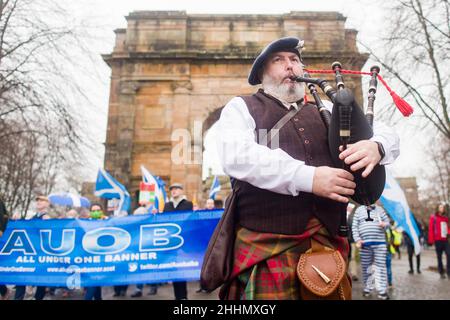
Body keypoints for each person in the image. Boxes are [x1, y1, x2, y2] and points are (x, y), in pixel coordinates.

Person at [214, 36, 400, 300]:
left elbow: (383, 130)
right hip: (267, 245)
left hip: (327, 245)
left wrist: (377, 146)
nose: (290, 66)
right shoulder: (241, 108)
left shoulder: (325, 107)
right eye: (278, 60)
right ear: (261, 74)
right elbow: (237, 156)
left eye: (295, 60)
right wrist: (309, 177)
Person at [14, 195, 50, 300]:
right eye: (37, 200)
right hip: (30, 252)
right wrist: (18, 221)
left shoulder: (47, 218)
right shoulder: (34, 217)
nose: (39, 201)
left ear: (47, 203)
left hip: (40, 253)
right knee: (21, 276)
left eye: (42, 200)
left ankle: (38, 297)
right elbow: (27, 228)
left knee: (40, 279)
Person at [352, 204, 391, 300]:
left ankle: (382, 291)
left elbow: (388, 223)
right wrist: (357, 239)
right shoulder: (359, 210)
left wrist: (385, 224)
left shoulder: (380, 209)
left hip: (380, 243)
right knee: (366, 267)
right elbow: (354, 226)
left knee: (381, 267)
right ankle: (367, 288)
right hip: (364, 244)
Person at [164, 183, 193, 300]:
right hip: (171, 241)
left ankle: (183, 296)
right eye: (172, 189)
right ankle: (178, 296)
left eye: (176, 189)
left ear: (181, 191)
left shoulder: (187, 204)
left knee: (182, 267)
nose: (173, 191)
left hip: (183, 240)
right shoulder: (167, 205)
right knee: (174, 268)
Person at [130, 200, 158, 298]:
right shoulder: (134, 225)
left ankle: (153, 286)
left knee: (150, 268)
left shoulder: (150, 224)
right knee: (139, 269)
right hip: (138, 250)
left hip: (149, 249)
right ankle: (138, 289)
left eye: (139, 215)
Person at [84, 203, 105, 300]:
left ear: (101, 211)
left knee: (94, 282)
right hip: (89, 257)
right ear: (90, 212)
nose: (96, 212)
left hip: (102, 258)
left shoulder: (107, 221)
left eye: (98, 210)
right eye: (93, 210)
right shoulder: (85, 223)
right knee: (94, 283)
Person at [428, 203, 450, 279]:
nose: (442, 209)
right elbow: (431, 229)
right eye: (440, 207)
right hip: (438, 240)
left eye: (443, 207)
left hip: (445, 240)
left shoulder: (446, 218)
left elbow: (448, 227)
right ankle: (441, 272)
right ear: (437, 208)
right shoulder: (433, 217)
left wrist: (449, 232)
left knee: (449, 254)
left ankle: (449, 271)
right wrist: (431, 240)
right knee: (439, 257)